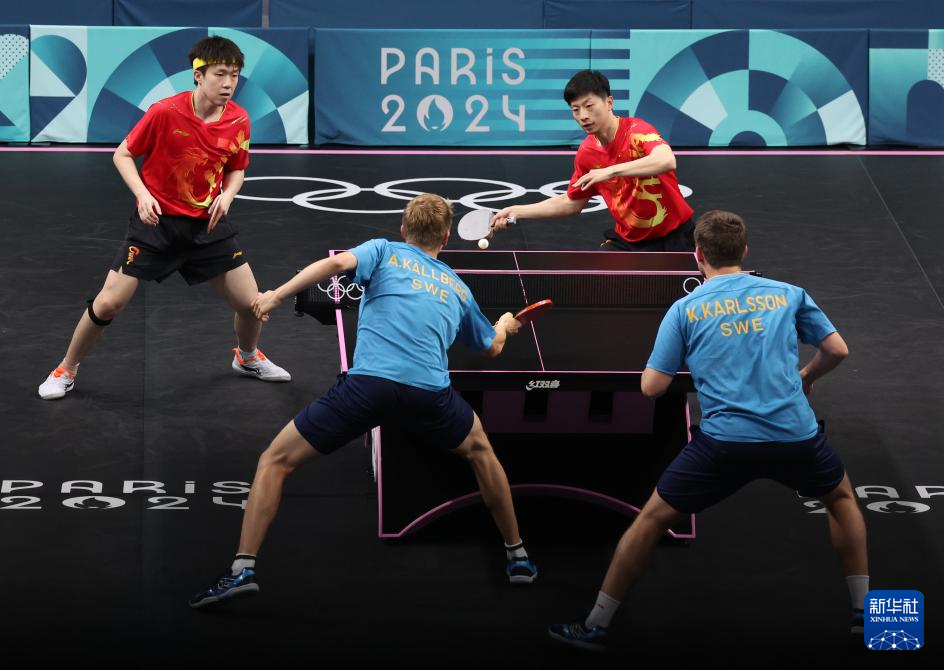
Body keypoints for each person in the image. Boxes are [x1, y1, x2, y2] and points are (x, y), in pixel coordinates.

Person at [189, 194, 538, 608]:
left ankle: (241, 570)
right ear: (446, 237)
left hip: (368, 389)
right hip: (430, 395)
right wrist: (504, 325)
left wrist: (277, 295)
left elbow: (337, 265)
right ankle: (518, 555)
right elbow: (491, 347)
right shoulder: (458, 288)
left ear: (403, 229)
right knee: (481, 452)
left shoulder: (384, 251)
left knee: (274, 461)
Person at [548, 210, 869, 651]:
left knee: (650, 521)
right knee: (842, 500)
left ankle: (596, 625)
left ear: (697, 255)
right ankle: (864, 616)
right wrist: (806, 377)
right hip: (796, 436)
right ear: (745, 251)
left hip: (724, 445)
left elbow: (652, 388)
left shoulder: (685, 309)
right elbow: (837, 350)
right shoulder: (789, 294)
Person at [37, 36, 289, 400]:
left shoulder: (239, 119)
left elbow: (237, 167)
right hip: (157, 225)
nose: (229, 83)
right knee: (109, 303)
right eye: (220, 74)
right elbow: (123, 154)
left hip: (207, 226)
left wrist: (228, 195)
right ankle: (66, 368)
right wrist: (143, 195)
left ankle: (247, 357)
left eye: (234, 75)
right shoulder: (165, 112)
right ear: (198, 75)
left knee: (252, 305)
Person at [491, 70, 694, 251]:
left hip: (676, 236)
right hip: (630, 243)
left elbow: (666, 160)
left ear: (609, 103)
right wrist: (517, 211)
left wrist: (609, 171)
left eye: (589, 106)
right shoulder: (587, 153)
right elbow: (571, 202)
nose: (583, 116)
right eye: (575, 109)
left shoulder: (637, 132)